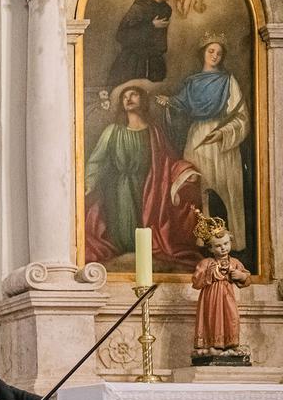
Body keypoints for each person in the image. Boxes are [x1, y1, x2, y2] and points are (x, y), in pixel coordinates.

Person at [83, 80, 202, 267]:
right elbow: (96, 161)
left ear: (143, 100)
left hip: (150, 188)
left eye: (133, 94)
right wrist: (88, 182)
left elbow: (168, 161)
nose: (128, 99)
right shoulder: (113, 131)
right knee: (124, 236)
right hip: (120, 190)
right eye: (124, 96)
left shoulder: (154, 132)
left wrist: (185, 172)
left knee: (146, 230)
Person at [161, 37, 250, 251]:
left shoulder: (228, 80)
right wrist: (168, 103)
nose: (215, 56)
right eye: (211, 51)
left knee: (228, 188)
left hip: (222, 141)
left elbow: (242, 117)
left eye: (219, 53)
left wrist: (222, 133)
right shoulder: (192, 82)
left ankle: (235, 242)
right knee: (199, 190)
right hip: (197, 137)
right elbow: (179, 104)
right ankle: (202, 239)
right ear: (203, 52)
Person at [190, 215, 250, 357]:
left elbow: (246, 278)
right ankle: (213, 345)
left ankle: (231, 344)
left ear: (230, 242)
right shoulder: (206, 263)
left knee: (231, 317)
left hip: (228, 297)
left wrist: (241, 276)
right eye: (218, 245)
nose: (223, 248)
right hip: (210, 298)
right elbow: (196, 282)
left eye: (226, 243)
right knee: (212, 319)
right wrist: (208, 274)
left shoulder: (234, 262)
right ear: (210, 248)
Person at [105, 0, 172, 87]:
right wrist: (151, 25)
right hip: (134, 61)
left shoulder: (165, 9)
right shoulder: (139, 8)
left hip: (155, 61)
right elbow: (121, 35)